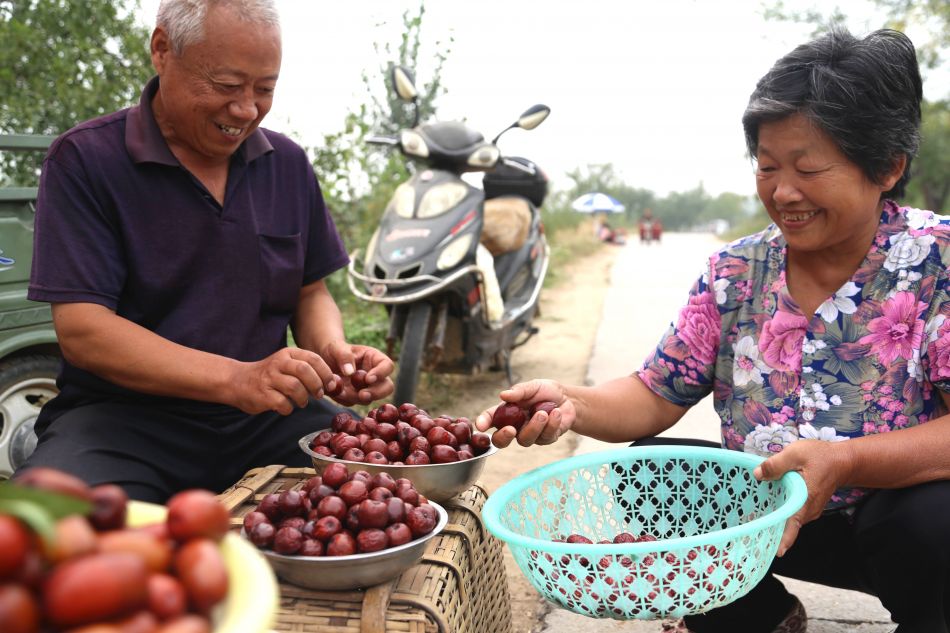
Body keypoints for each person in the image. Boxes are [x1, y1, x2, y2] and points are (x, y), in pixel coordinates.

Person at [477, 28, 948, 633]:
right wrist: (571, 403)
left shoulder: (937, 261)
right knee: (649, 473)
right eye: (768, 166)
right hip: (767, 523)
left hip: (894, 526)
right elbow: (654, 393)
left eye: (808, 169)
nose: (783, 192)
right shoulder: (737, 271)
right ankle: (762, 615)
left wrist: (847, 459)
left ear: (887, 166)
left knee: (935, 521)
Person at [19, 0, 394, 503]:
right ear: (162, 50)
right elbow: (85, 332)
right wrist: (236, 378)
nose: (245, 110)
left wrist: (334, 357)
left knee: (395, 488)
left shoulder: (286, 163)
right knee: (43, 529)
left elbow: (310, 291)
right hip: (123, 423)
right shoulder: (86, 160)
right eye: (225, 85)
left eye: (265, 89)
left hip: (270, 418)